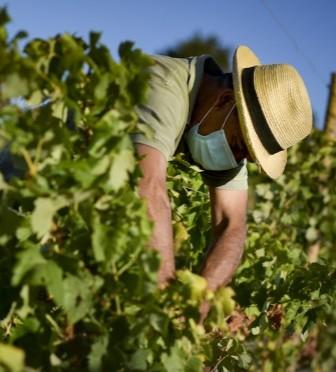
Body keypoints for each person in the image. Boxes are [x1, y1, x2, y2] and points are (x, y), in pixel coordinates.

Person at [133, 45, 312, 320]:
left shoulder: (220, 125)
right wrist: (165, 306)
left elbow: (233, 224)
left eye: (247, 157)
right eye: (240, 145)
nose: (236, 159)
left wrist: (198, 307)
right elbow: (148, 188)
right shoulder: (163, 88)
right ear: (224, 101)